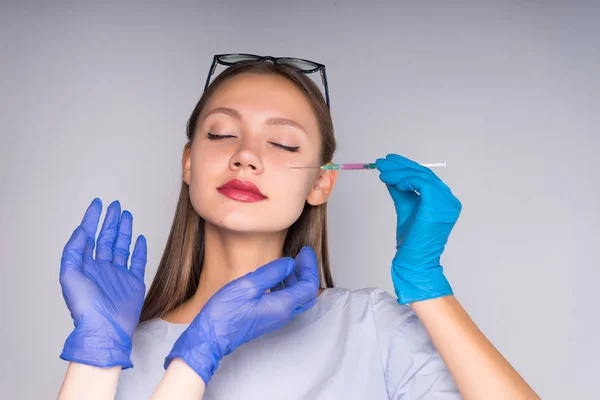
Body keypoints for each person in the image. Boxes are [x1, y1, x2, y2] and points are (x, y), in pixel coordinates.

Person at [56, 55, 539, 399]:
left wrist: (429, 290)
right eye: (222, 134)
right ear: (189, 163)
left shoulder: (370, 329)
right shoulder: (118, 350)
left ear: (321, 183)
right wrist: (99, 357)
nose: (244, 155)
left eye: (284, 145)